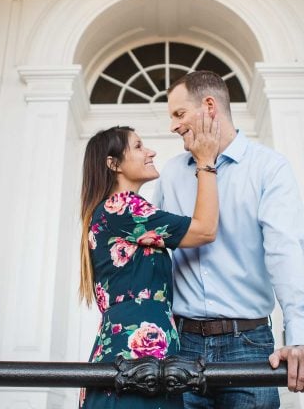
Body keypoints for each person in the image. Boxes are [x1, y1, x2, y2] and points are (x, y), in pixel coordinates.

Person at [153, 71, 304, 408]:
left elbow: (286, 254)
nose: (173, 126)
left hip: (247, 343)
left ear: (209, 106)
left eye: (179, 114)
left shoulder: (269, 168)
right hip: (180, 344)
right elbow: (157, 262)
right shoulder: (172, 174)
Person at [79, 115, 220, 409]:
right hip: (136, 359)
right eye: (139, 146)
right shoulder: (123, 206)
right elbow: (205, 229)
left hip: (129, 353)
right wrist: (207, 162)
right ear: (113, 164)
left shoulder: (110, 212)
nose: (151, 152)